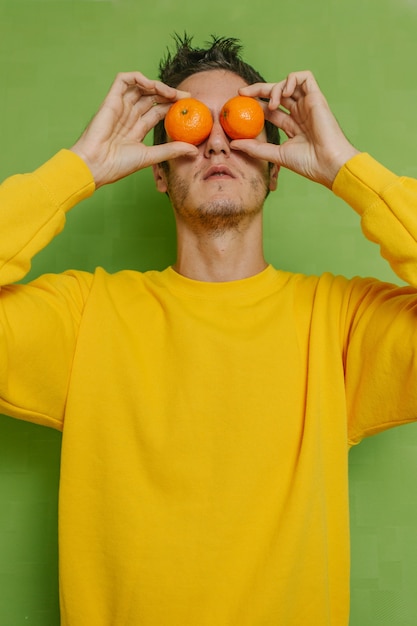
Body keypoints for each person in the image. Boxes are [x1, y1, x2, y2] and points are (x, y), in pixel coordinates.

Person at [1, 33, 417, 626]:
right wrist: (78, 168)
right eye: (191, 128)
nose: (218, 140)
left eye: (242, 127)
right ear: (160, 171)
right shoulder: (84, 317)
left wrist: (347, 168)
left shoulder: (340, 324)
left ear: (277, 169)